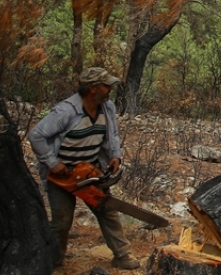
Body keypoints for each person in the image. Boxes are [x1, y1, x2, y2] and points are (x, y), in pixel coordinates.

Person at [28, 66, 140, 270]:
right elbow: (36, 136)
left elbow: (112, 134)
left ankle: (122, 255)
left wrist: (115, 155)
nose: (110, 90)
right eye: (106, 86)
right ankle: (53, 260)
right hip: (63, 175)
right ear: (93, 88)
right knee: (61, 221)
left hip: (89, 171)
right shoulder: (67, 111)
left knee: (107, 210)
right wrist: (52, 163)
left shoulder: (107, 107)